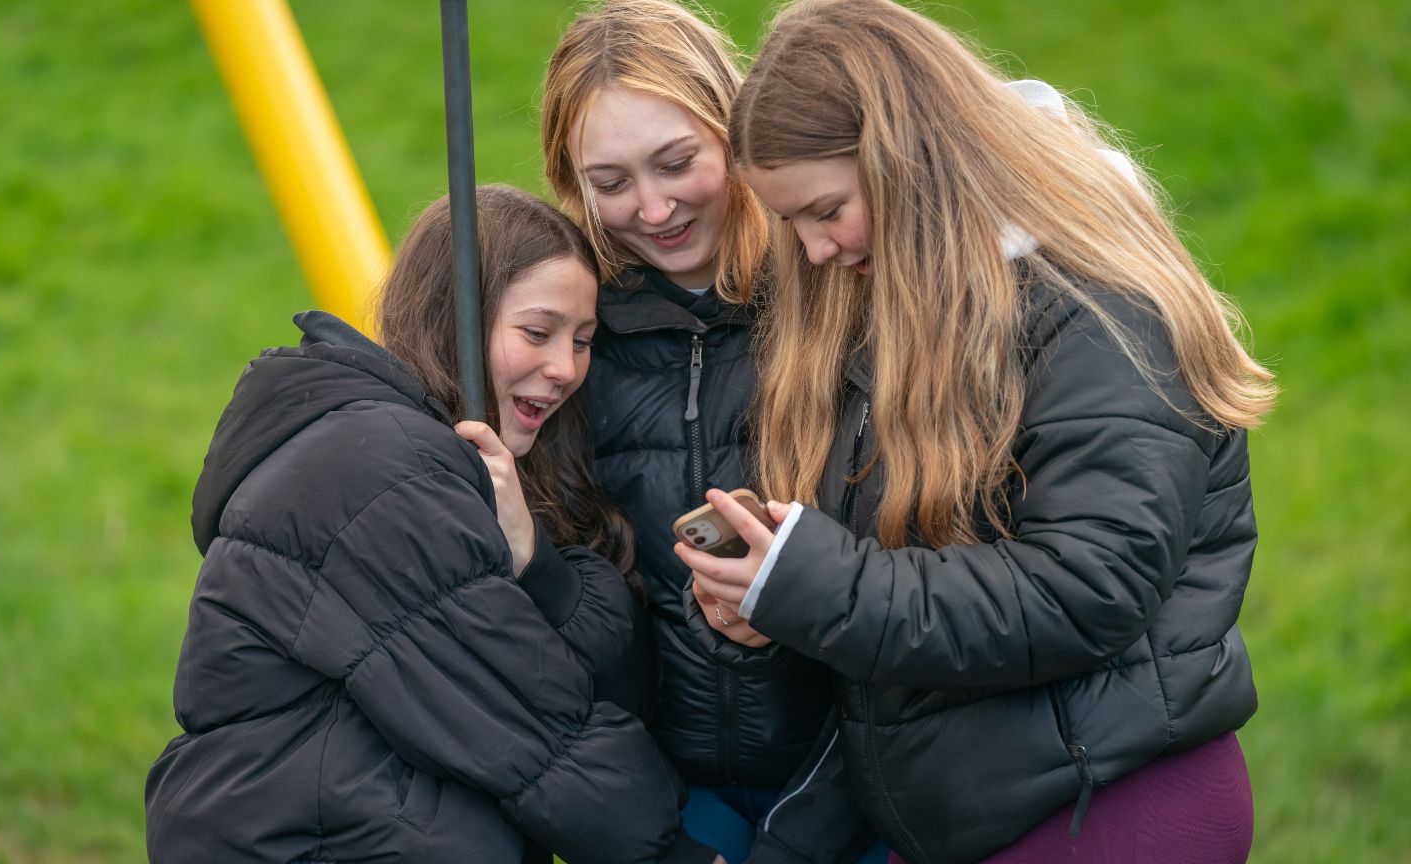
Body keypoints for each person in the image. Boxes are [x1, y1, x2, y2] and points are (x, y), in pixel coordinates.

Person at [680, 1, 1276, 862]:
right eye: (792, 224)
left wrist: (813, 580)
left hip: (1109, 804)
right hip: (1004, 805)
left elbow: (1087, 585)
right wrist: (772, 601)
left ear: (906, 159)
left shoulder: (1091, 302)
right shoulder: (912, 305)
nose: (811, 251)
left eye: (826, 210)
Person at [144, 185, 721, 864]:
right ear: (452, 316)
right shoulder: (380, 466)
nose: (565, 368)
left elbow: (608, 691)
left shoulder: (476, 474)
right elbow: (524, 722)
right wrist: (673, 854)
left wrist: (538, 564)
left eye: (583, 341)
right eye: (537, 332)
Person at [540, 3, 887, 862]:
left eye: (677, 162)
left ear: (735, 131)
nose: (653, 209)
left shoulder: (842, 291)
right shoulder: (569, 347)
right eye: (611, 182)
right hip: (662, 798)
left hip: (859, 784)